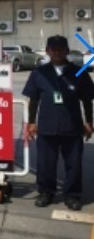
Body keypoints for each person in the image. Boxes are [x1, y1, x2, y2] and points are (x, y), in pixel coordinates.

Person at [22, 35, 94, 210]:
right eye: (53, 49)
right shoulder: (39, 73)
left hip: (72, 126)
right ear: (47, 51)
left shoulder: (79, 72)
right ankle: (46, 192)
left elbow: (87, 99)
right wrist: (31, 122)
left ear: (67, 51)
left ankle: (72, 195)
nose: (57, 52)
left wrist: (89, 121)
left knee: (74, 164)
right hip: (47, 125)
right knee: (45, 163)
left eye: (61, 49)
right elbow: (34, 100)